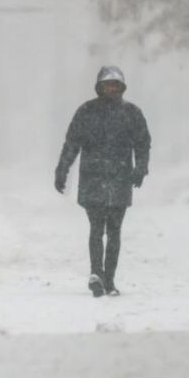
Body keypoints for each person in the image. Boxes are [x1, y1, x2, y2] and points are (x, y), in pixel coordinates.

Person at [54, 66, 151, 297]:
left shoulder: (132, 114)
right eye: (107, 84)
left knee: (115, 231)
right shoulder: (86, 112)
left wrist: (140, 168)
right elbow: (72, 143)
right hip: (93, 179)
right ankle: (96, 273)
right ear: (100, 86)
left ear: (121, 87)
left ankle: (109, 280)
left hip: (120, 178)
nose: (111, 88)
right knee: (97, 229)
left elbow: (142, 143)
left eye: (115, 84)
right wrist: (62, 169)